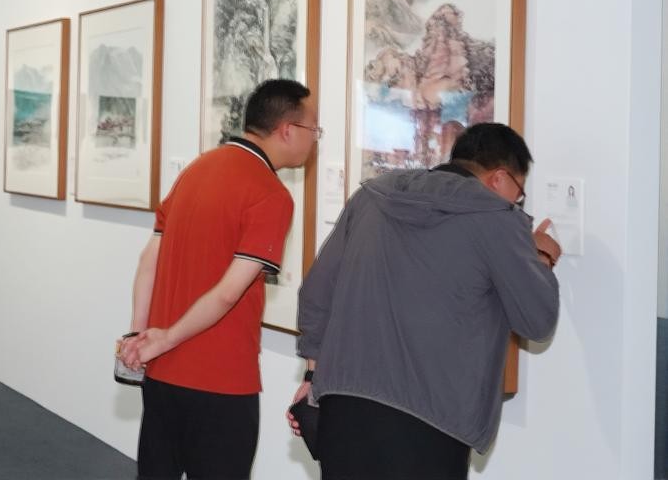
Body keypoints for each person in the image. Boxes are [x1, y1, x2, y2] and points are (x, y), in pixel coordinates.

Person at [290, 122, 562, 480]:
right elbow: (537, 320)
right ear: (499, 178)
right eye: (519, 192)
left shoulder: (373, 196)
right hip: (431, 425)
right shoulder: (497, 219)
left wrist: (312, 374)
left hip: (344, 411)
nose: (516, 202)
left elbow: (316, 293)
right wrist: (540, 258)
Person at [119, 79, 320, 479]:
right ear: (287, 130)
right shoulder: (270, 194)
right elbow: (229, 293)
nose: (315, 139)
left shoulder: (195, 169)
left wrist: (139, 337)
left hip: (161, 372)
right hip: (221, 381)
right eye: (313, 129)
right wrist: (164, 338)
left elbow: (147, 261)